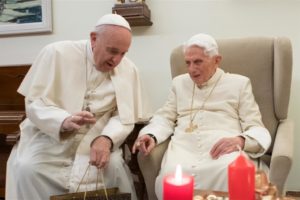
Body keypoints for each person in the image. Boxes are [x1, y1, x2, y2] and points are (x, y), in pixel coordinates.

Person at [6, 14, 151, 200]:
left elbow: (124, 117)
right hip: (49, 139)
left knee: (114, 166)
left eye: (123, 53)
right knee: (28, 168)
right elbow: (35, 104)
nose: (117, 60)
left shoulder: (129, 70)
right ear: (93, 38)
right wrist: (63, 120)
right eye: (112, 51)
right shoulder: (56, 53)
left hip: (96, 138)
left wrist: (106, 139)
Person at [132, 33, 271, 199]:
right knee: (171, 175)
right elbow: (165, 117)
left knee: (230, 172)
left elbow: (255, 125)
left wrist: (240, 140)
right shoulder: (179, 83)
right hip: (183, 147)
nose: (191, 69)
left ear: (217, 60)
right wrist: (151, 135)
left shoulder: (239, 84)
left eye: (198, 62)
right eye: (188, 63)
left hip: (223, 148)